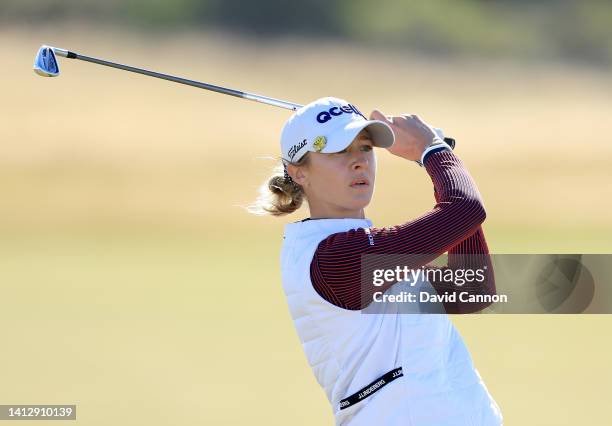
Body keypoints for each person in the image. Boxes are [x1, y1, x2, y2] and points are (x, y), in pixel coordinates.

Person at [251, 97, 503, 425]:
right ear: (299, 172)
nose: (358, 162)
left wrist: (439, 158)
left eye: (366, 148)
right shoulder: (335, 259)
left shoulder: (365, 251)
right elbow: (464, 209)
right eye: (339, 151)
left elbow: (471, 290)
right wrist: (434, 152)